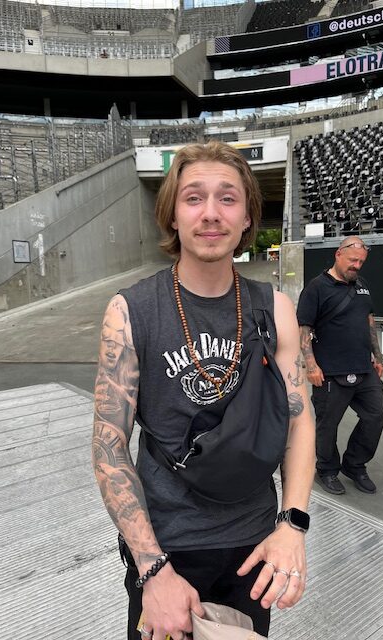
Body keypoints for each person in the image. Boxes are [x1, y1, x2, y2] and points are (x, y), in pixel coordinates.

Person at [92, 141, 315, 640]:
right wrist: (152, 569)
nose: (211, 213)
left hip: (254, 545)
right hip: (167, 548)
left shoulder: (274, 307)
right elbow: (109, 445)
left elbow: (298, 420)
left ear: (247, 216)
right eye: (194, 198)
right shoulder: (130, 311)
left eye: (227, 198)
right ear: (172, 215)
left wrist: (292, 525)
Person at [297, 236, 383, 496]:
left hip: (363, 368)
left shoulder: (362, 285)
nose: (356, 266)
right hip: (330, 372)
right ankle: (326, 470)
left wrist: (377, 356)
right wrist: (311, 366)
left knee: (377, 413)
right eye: (353, 260)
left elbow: (369, 322)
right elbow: (304, 329)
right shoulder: (316, 287)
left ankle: (355, 465)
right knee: (328, 424)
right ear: (338, 254)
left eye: (361, 262)